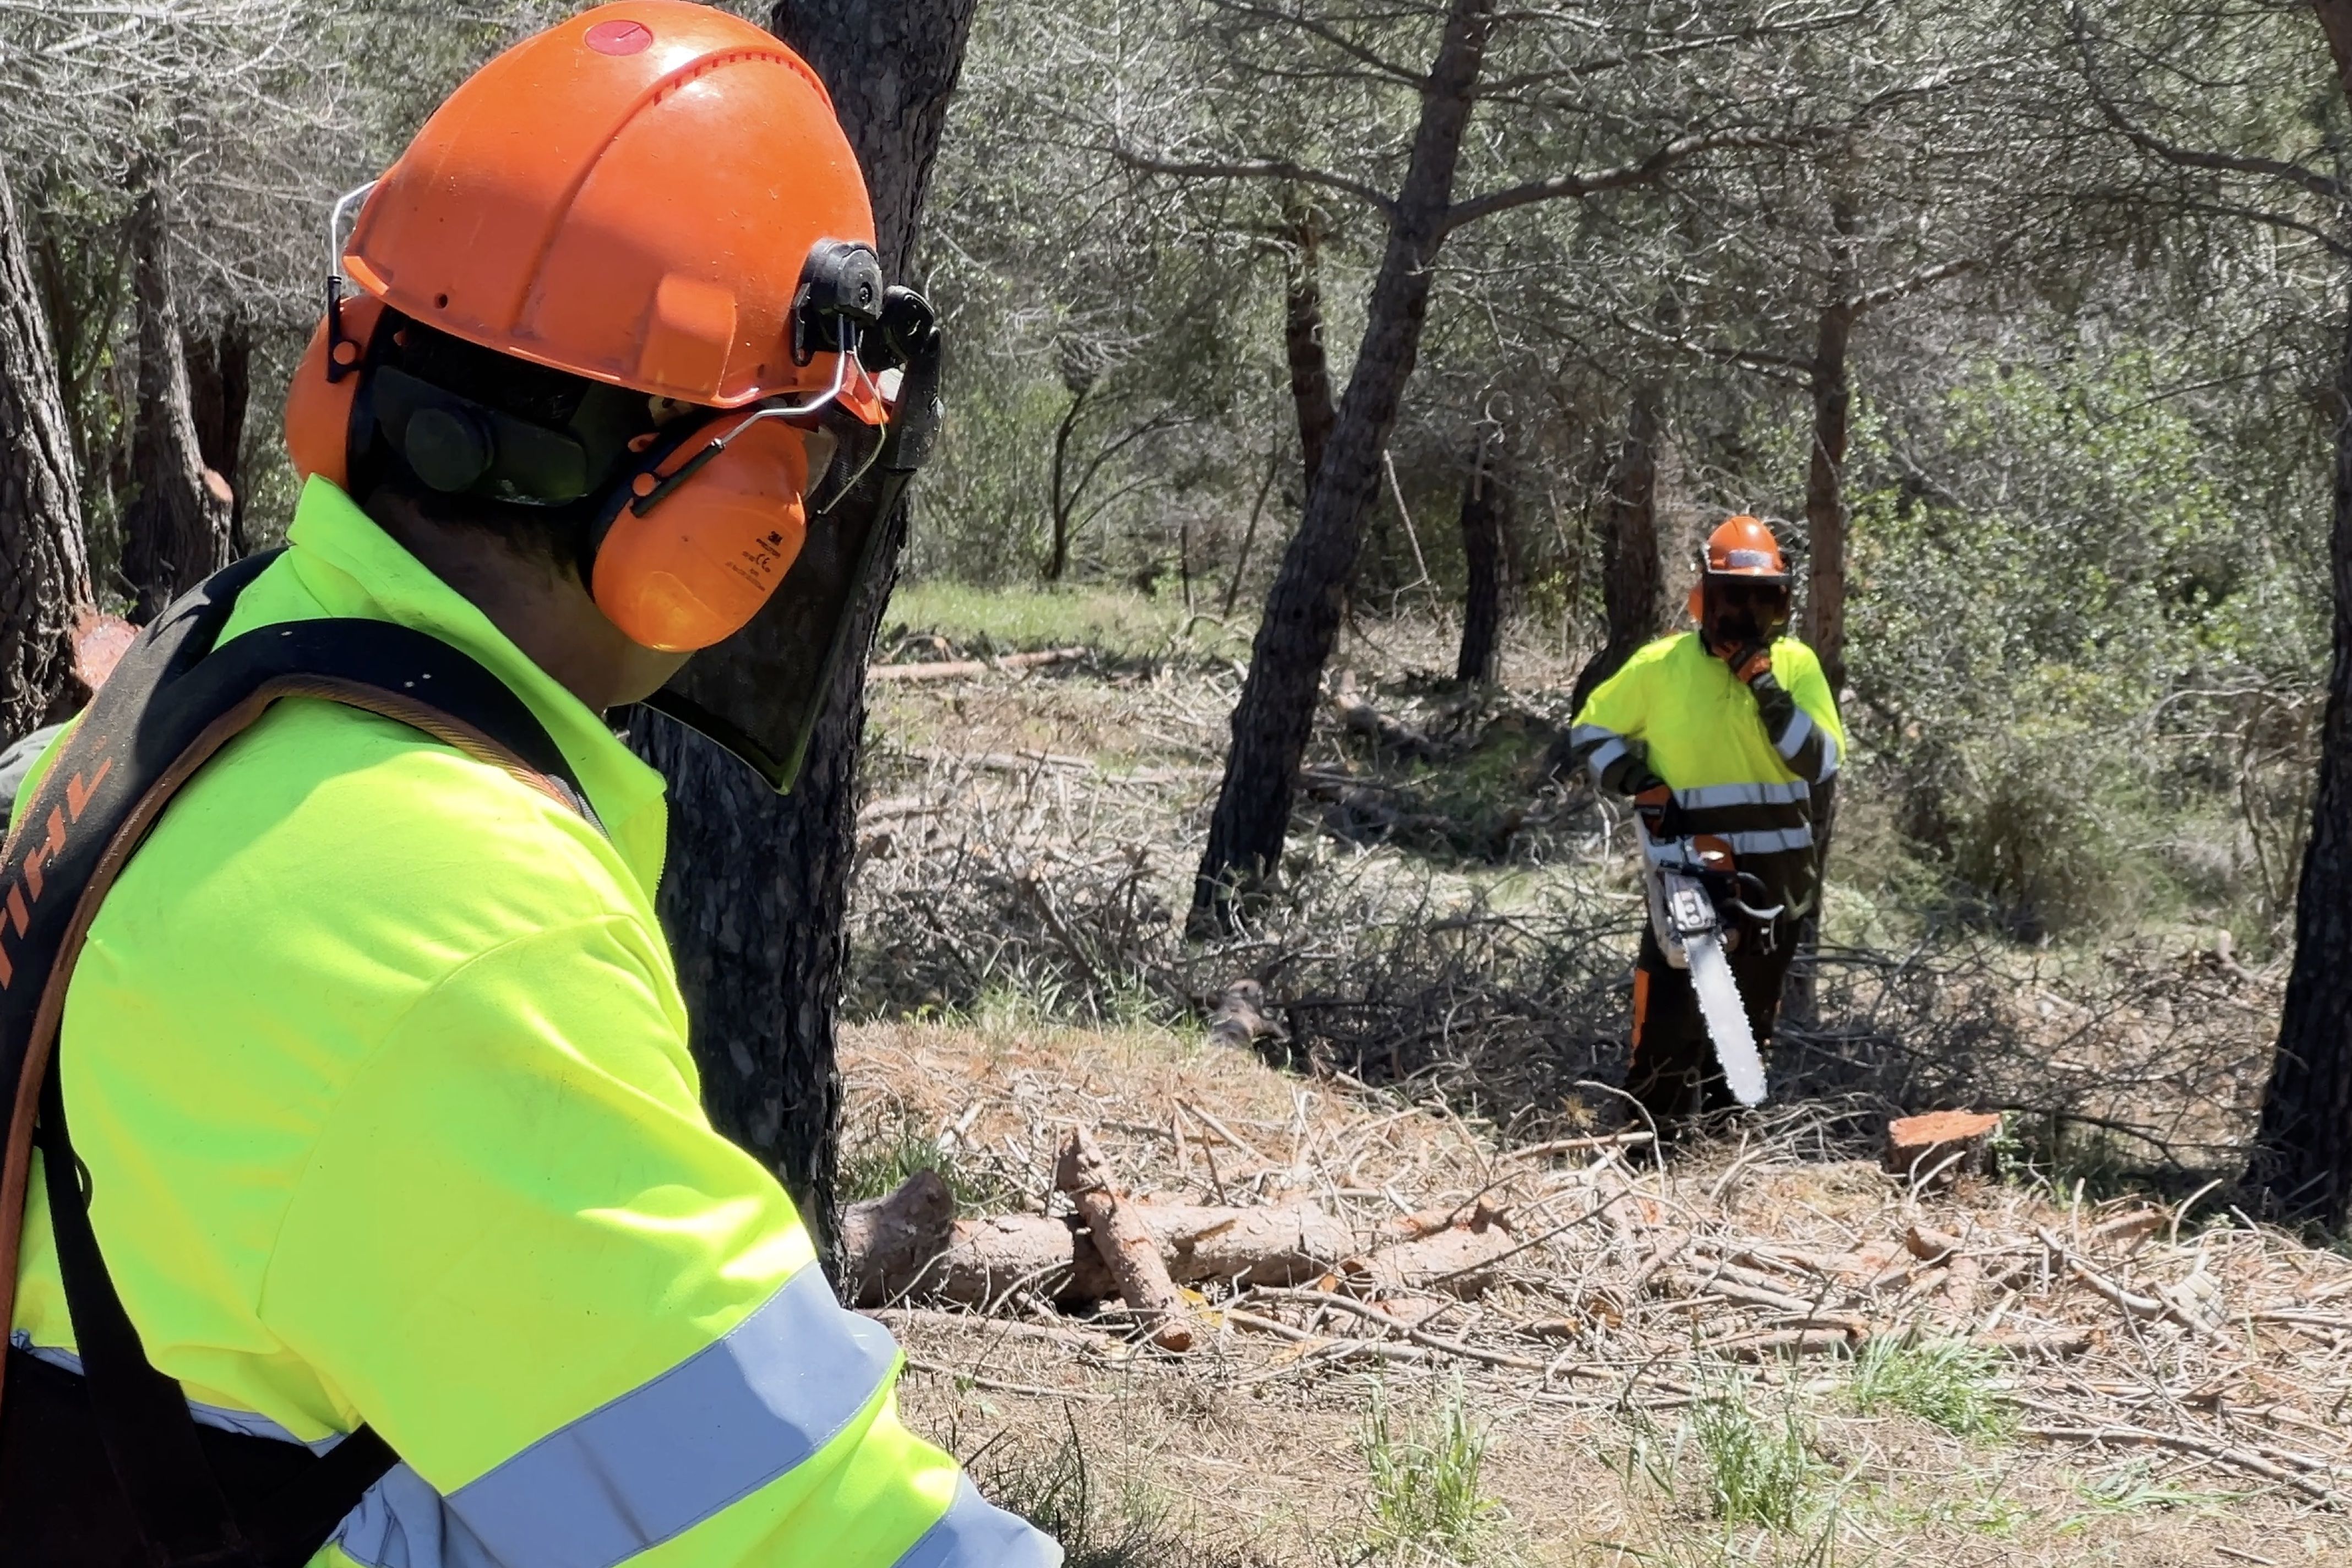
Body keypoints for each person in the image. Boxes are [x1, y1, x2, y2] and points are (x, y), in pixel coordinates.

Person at [0, 4, 1056, 1564]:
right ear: (723, 501)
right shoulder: (455, 923)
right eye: (808, 471)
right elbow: (804, 1535)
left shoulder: (172, 701)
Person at [1567, 515, 1845, 1136]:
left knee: (1744, 1039)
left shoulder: (1796, 666)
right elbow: (1589, 731)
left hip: (1775, 887)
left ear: (1780, 603)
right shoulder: (1660, 665)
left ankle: (1722, 1160)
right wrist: (1638, 781)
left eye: (1762, 598)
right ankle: (1647, 1156)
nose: (1746, 612)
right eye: (1734, 596)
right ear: (1707, 595)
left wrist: (1766, 686)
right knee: (1666, 1027)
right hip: (1687, 873)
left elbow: (1820, 762)